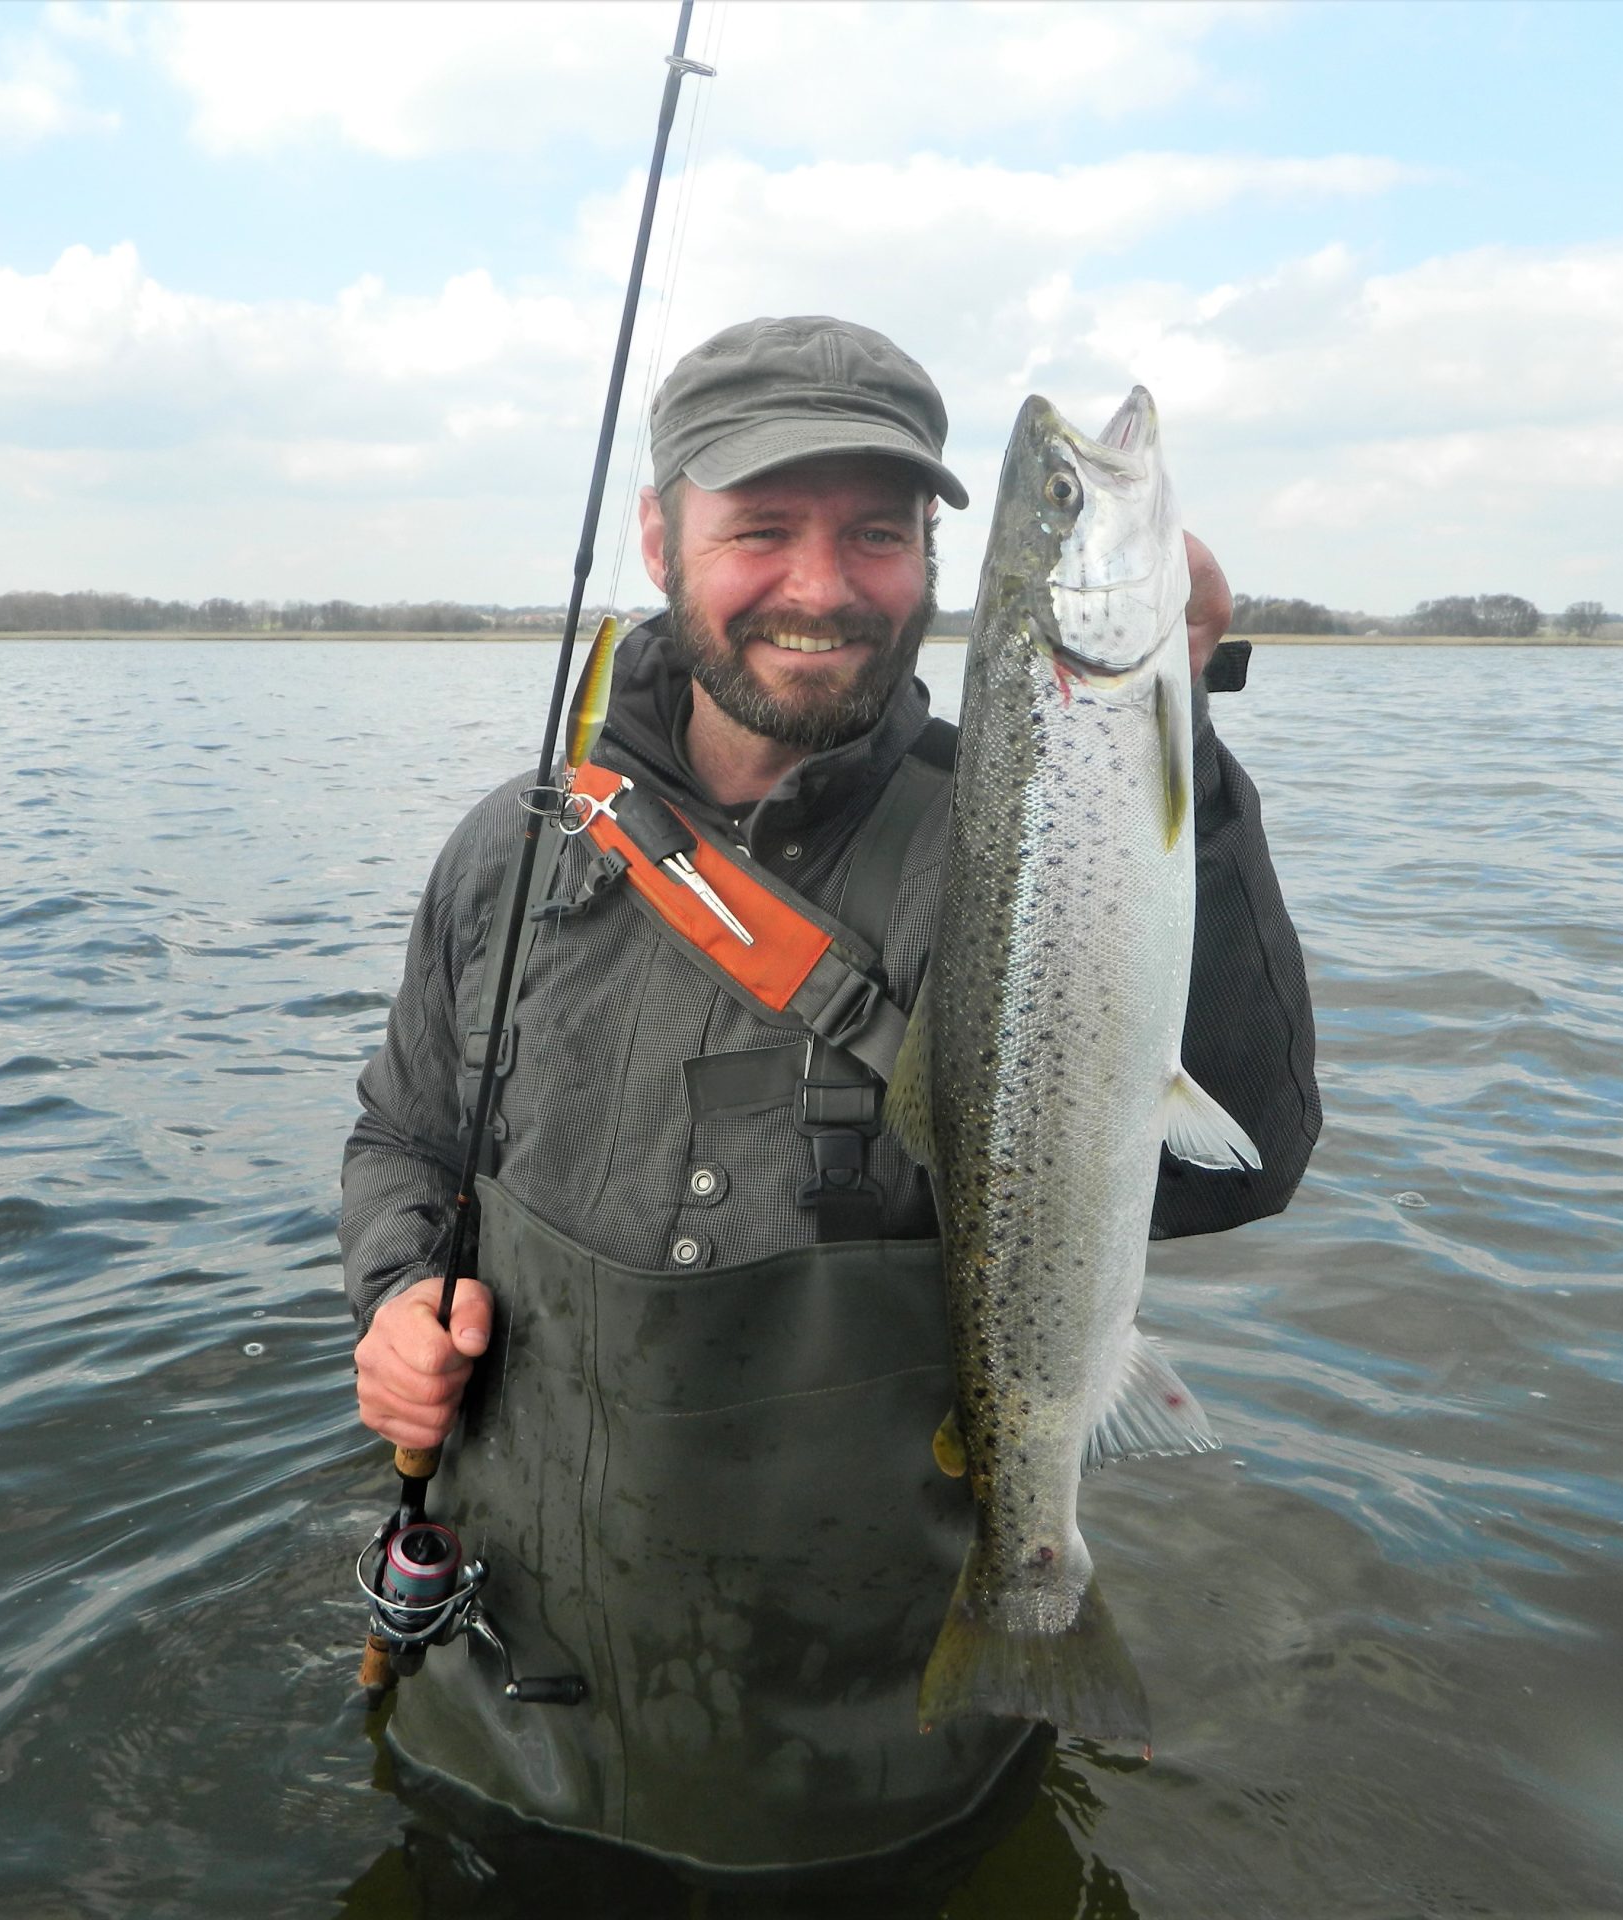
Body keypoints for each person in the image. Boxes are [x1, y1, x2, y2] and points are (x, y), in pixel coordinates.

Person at [339, 315, 1319, 1880]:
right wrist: (396, 1294)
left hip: (882, 1794)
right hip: (499, 1742)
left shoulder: (1006, 834)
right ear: (660, 535)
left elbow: (1238, 1167)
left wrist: (1177, 728)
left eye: (875, 531)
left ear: (935, 558)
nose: (820, 583)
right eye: (761, 528)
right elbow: (404, 1132)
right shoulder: (513, 850)